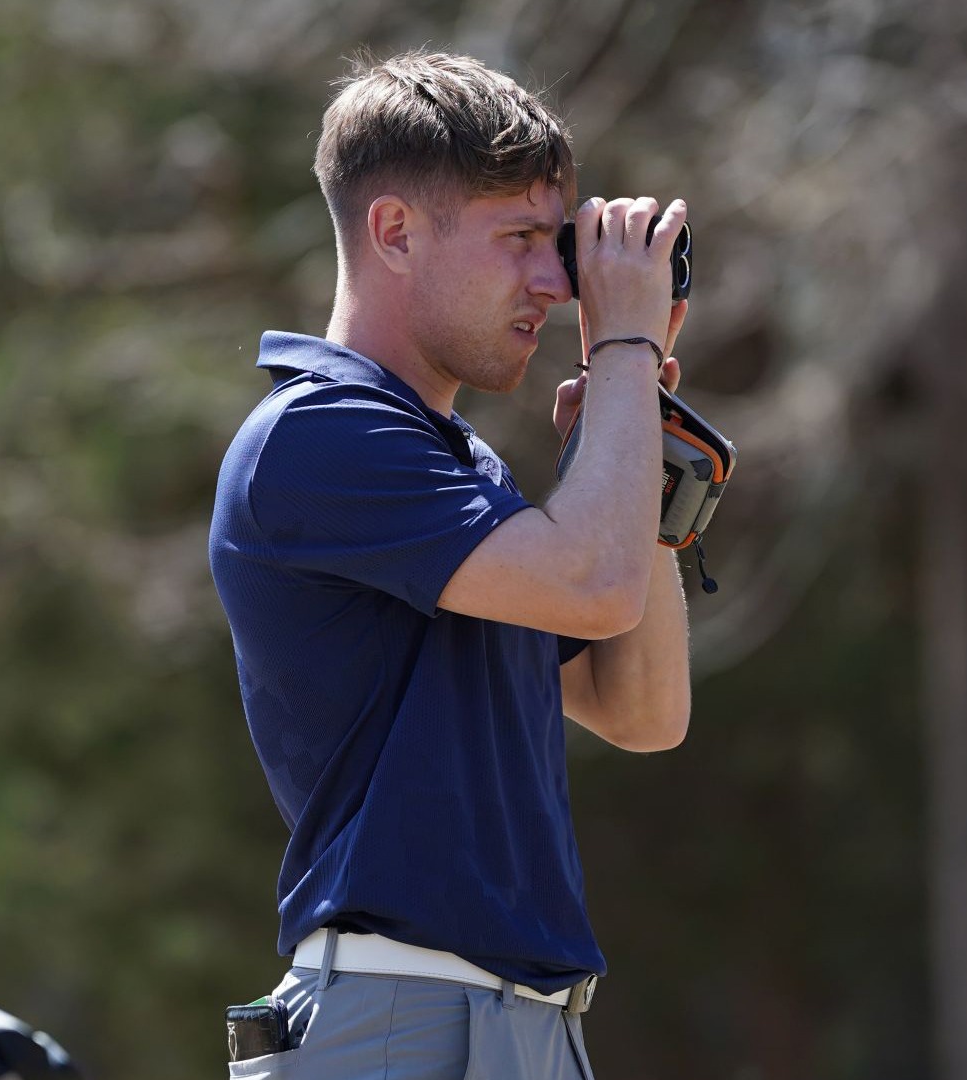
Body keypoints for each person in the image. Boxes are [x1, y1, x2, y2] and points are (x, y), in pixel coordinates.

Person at [207, 49, 693, 1080]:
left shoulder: (458, 466)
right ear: (393, 231)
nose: (557, 284)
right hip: (402, 1015)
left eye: (558, 245)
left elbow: (640, 709)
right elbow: (593, 585)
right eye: (520, 238)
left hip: (521, 1020)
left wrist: (634, 431)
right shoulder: (320, 433)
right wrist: (625, 352)